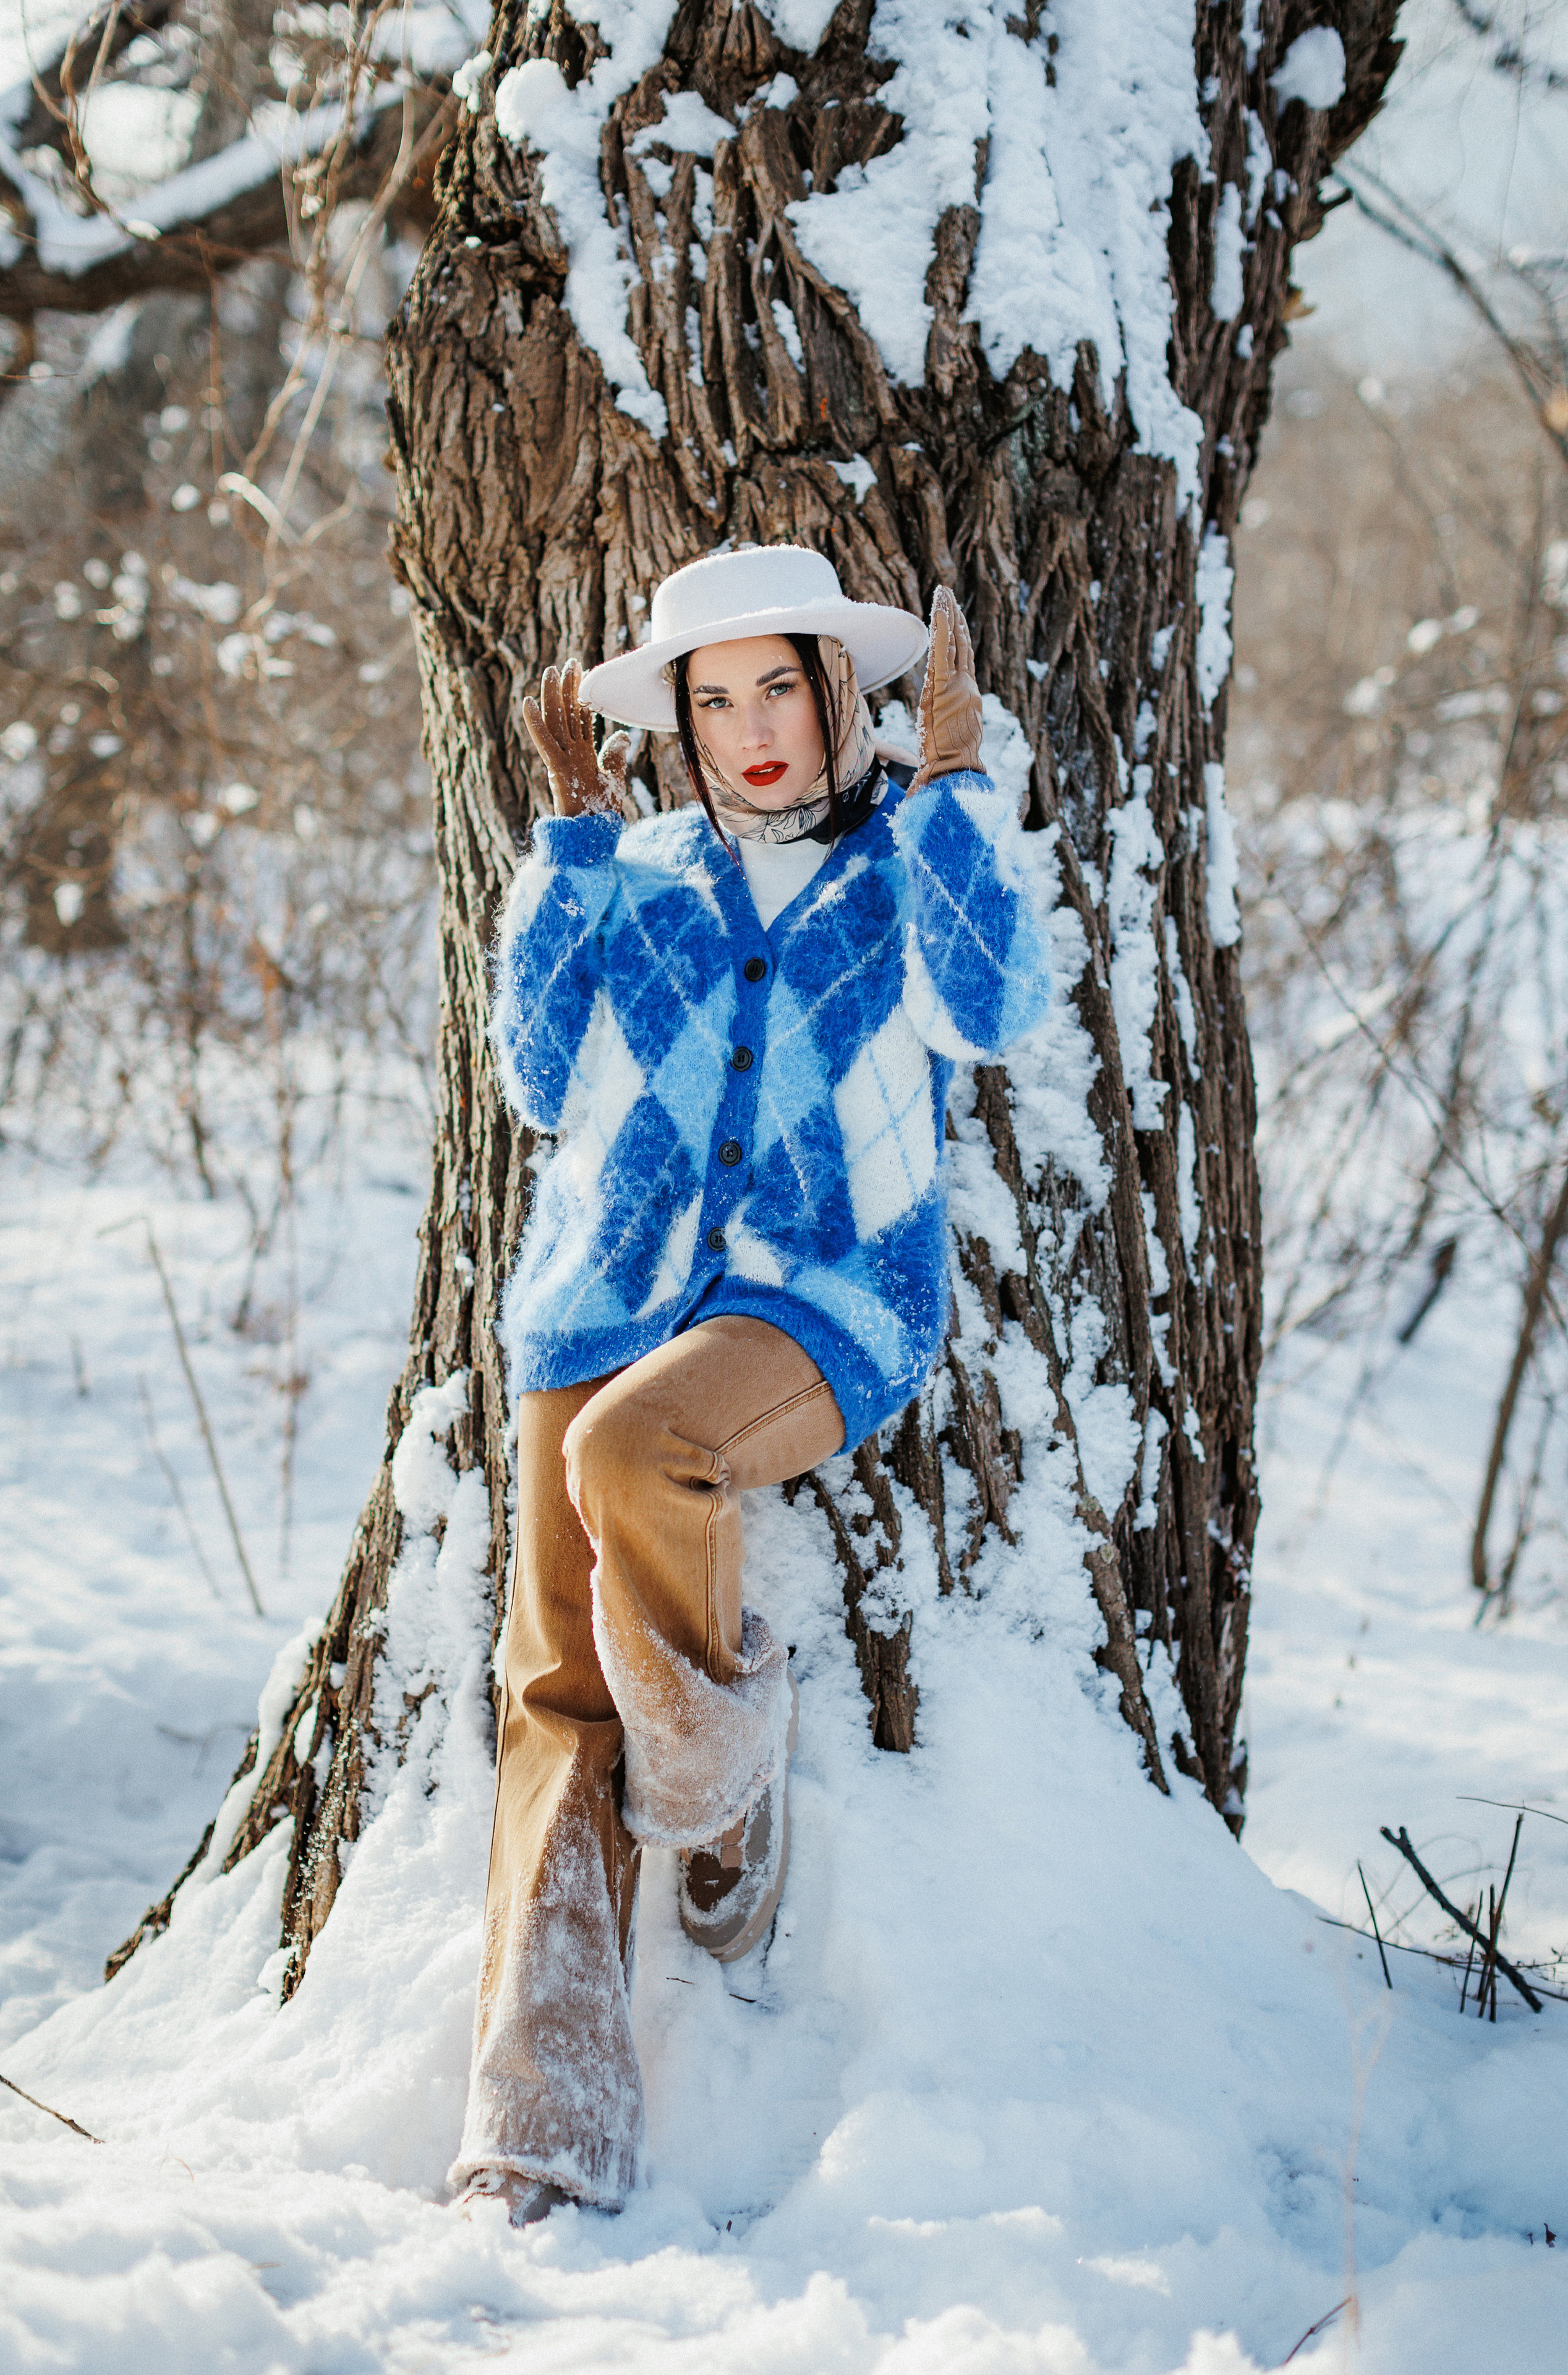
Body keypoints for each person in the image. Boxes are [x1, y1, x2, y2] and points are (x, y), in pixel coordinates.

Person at [449, 544, 1052, 2225]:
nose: (749, 730)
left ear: (834, 688)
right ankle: (539, 2132)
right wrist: (569, 850)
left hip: (820, 1301)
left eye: (776, 686)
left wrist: (951, 791)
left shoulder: (895, 870)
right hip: (600, 1296)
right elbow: (541, 1073)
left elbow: (992, 1008)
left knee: (646, 1458)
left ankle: (717, 1810)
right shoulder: (637, 872)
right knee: (554, 1705)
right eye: (710, 703)